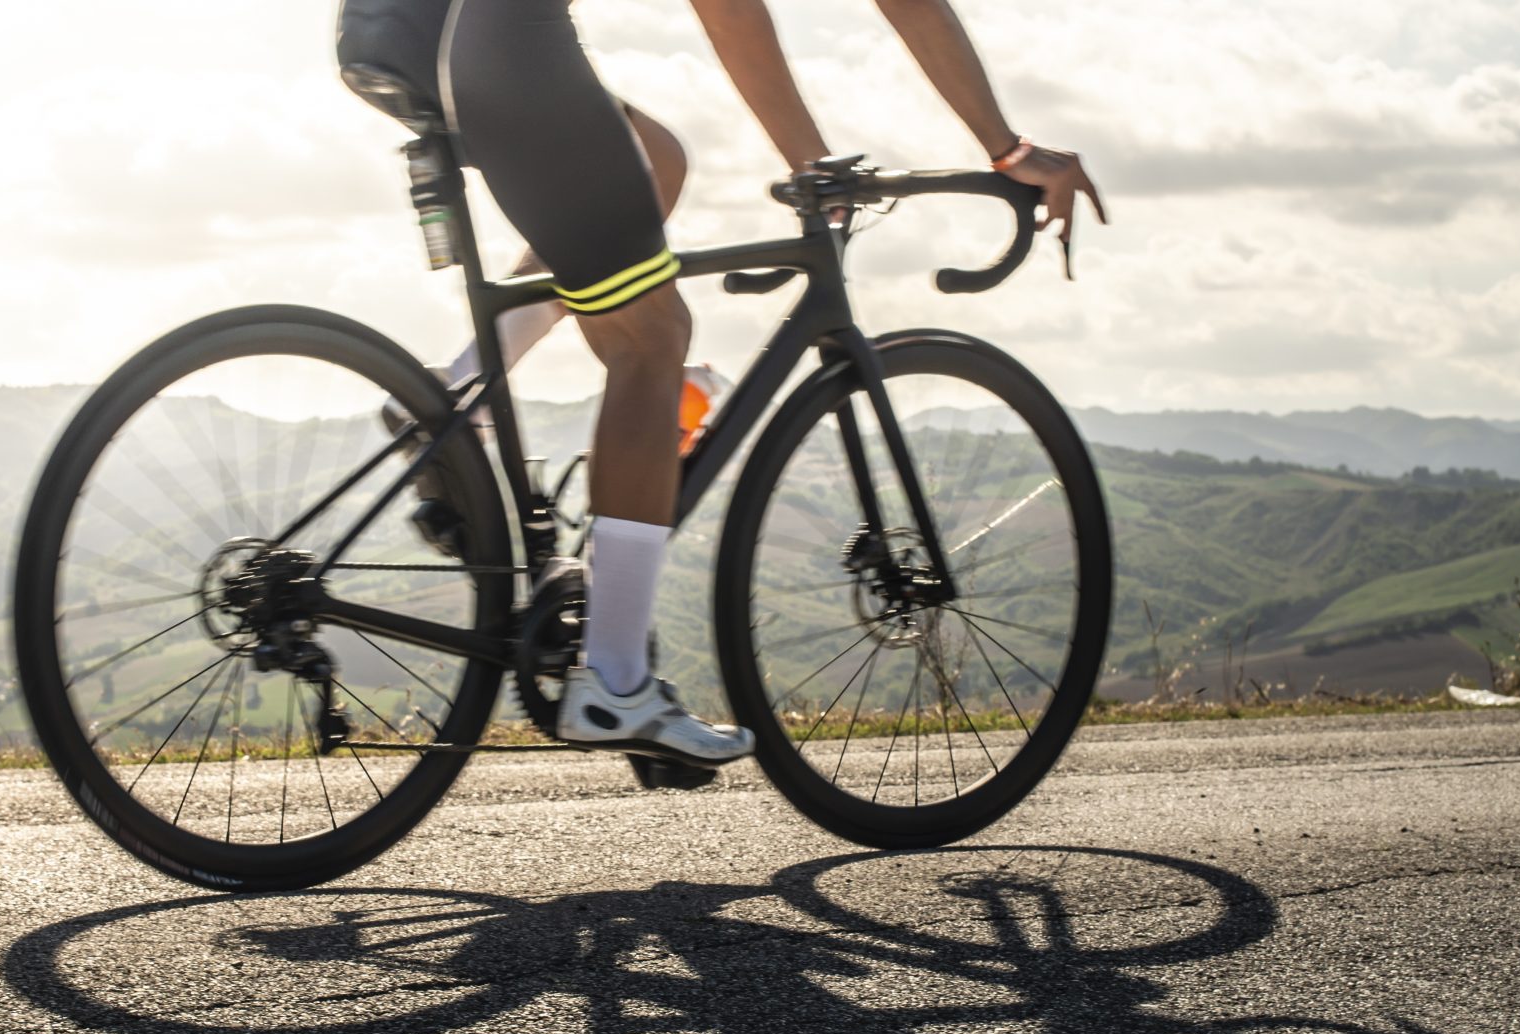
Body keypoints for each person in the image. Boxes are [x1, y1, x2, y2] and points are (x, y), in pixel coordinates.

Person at [334, 0, 1105, 767]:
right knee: (652, 341)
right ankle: (616, 681)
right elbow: (732, 9)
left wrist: (990, 150)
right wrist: (856, 164)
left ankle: (453, 397)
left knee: (656, 161)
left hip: (405, 27)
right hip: (495, 43)